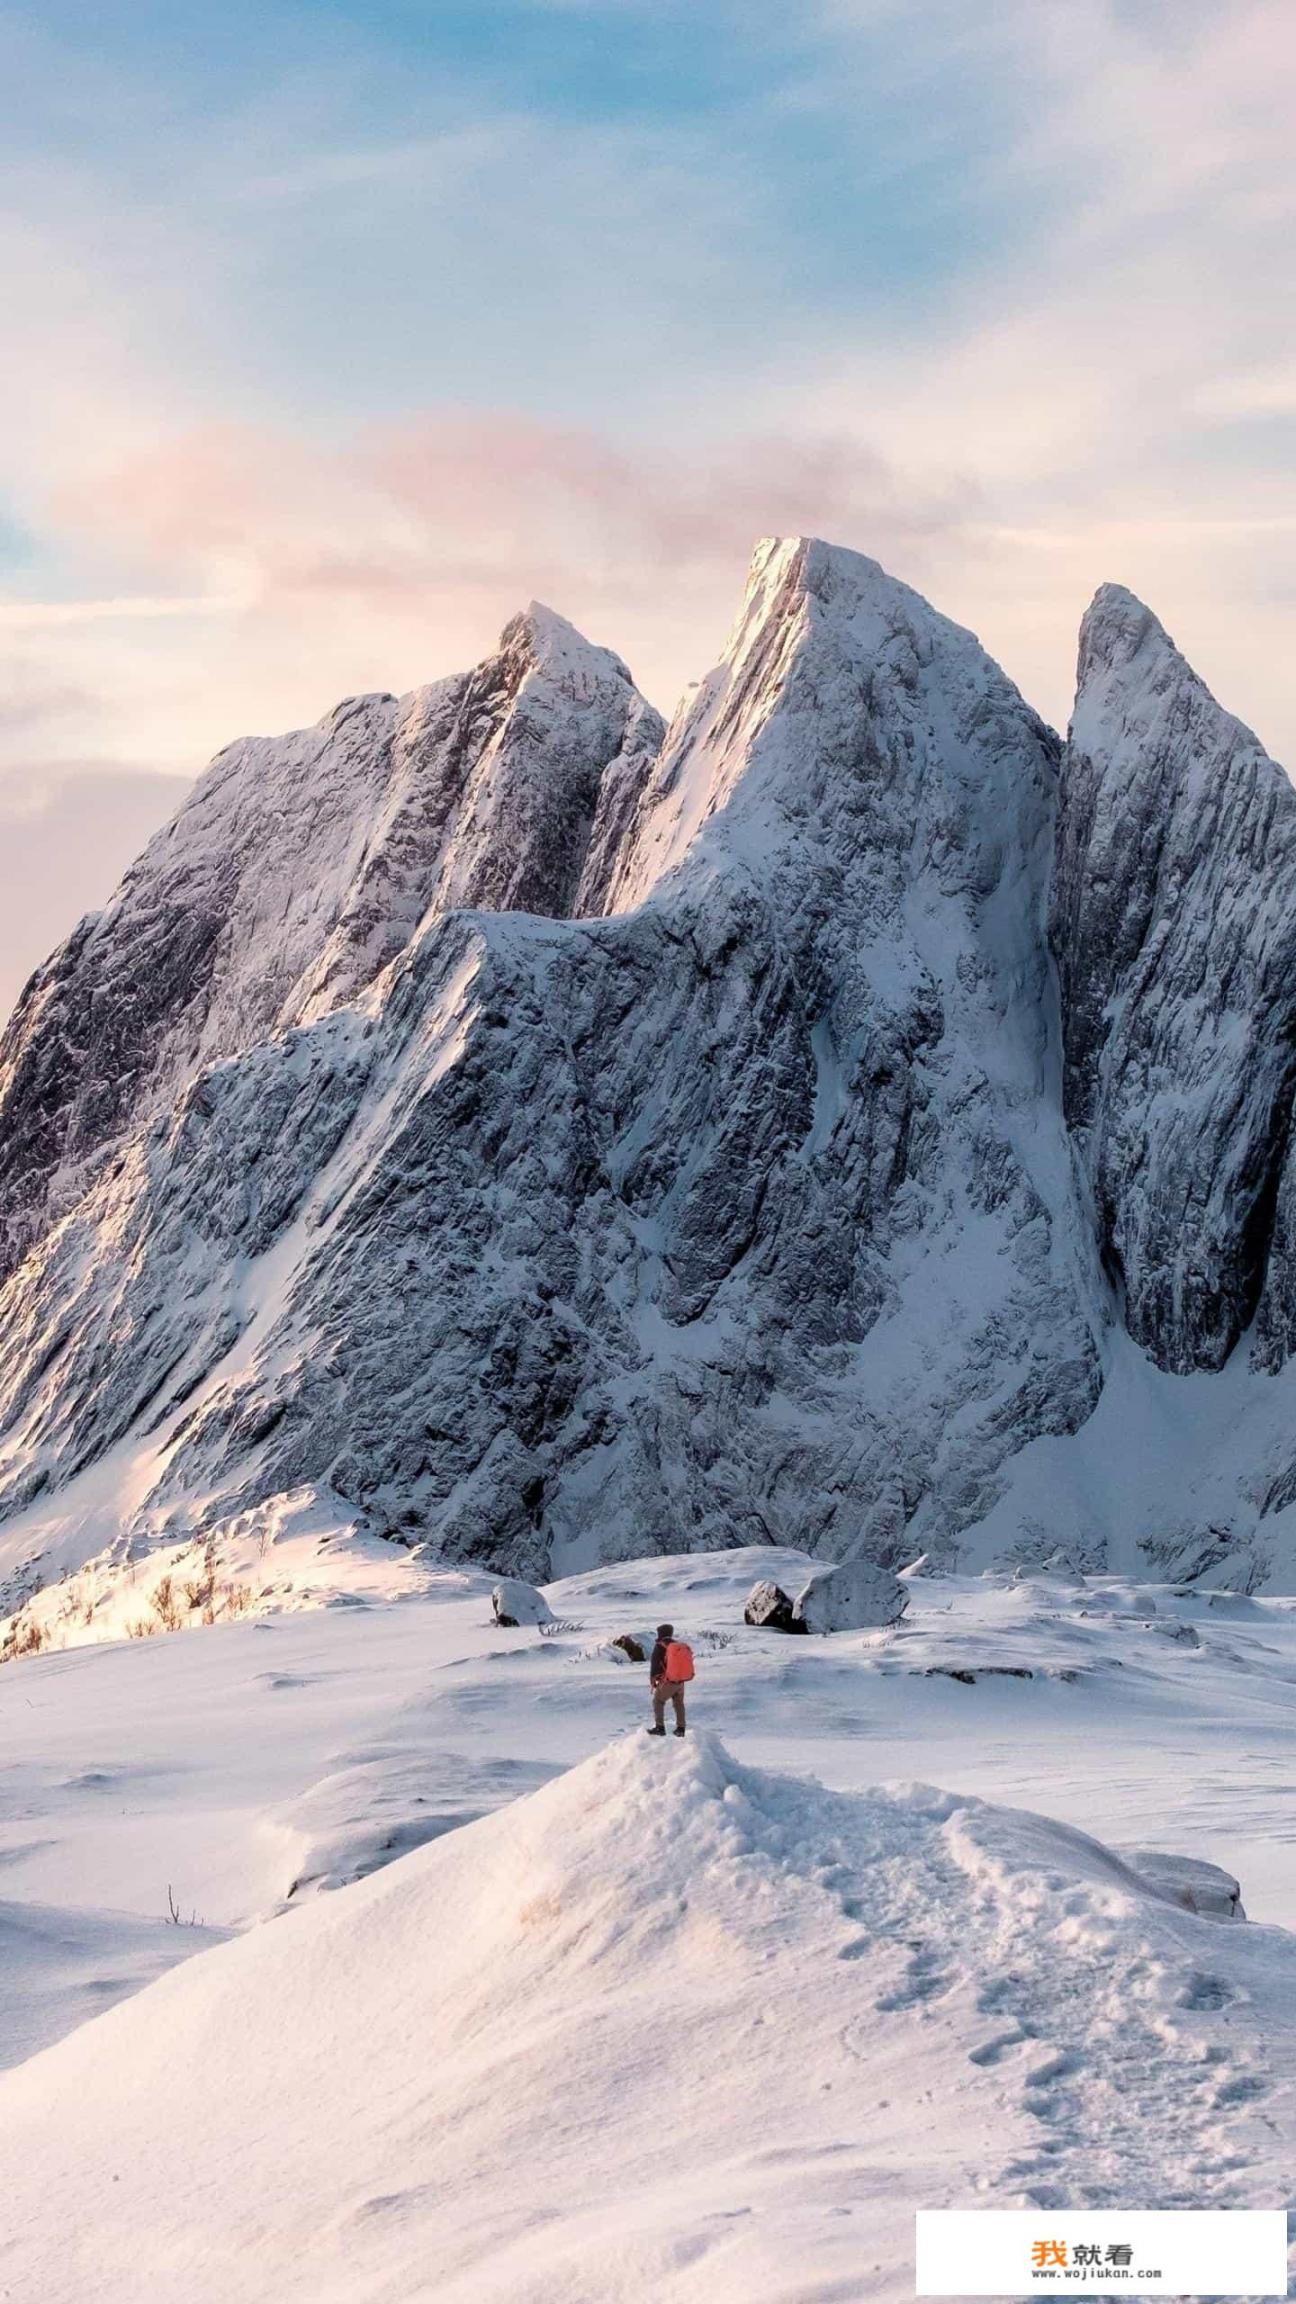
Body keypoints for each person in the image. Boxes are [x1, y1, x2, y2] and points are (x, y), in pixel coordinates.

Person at [647, 1621, 689, 1737]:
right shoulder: (676, 1645)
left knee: (658, 1701)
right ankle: (681, 1728)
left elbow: (655, 1664)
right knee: (679, 1703)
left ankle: (659, 1727)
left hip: (668, 1681)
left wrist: (653, 1680)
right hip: (680, 1681)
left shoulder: (660, 1646)